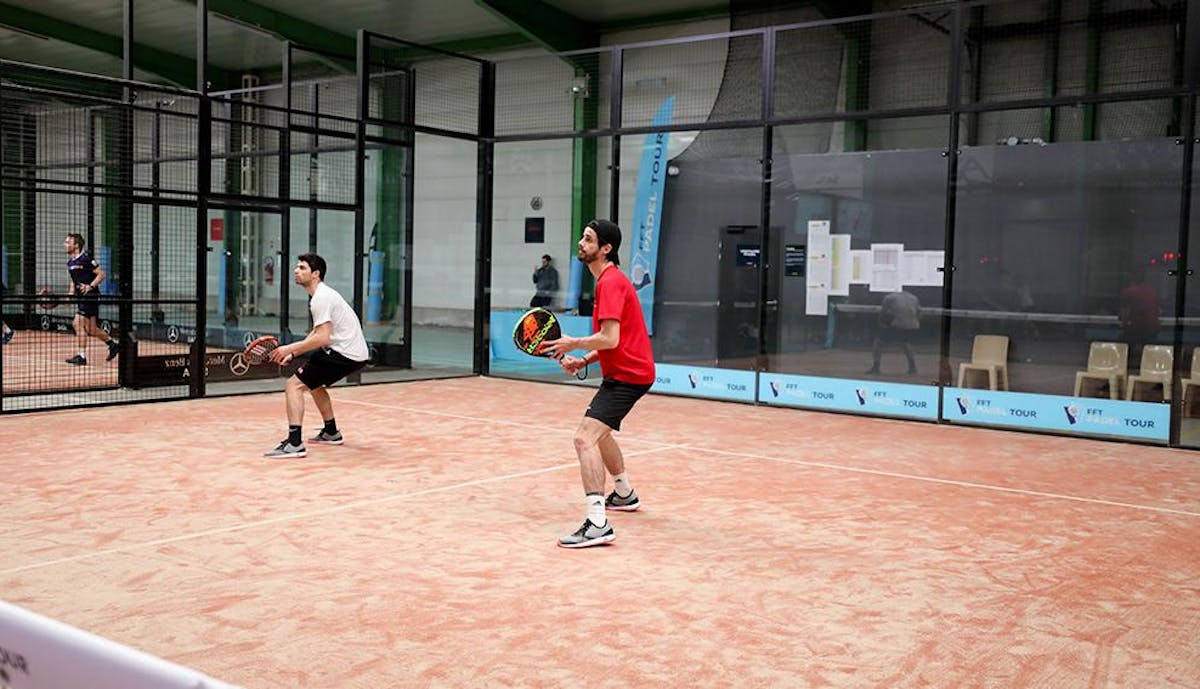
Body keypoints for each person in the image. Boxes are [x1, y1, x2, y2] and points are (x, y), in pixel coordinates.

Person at [541, 220, 656, 548]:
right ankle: (623, 493)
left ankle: (597, 523)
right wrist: (584, 360)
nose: (581, 242)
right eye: (582, 237)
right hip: (627, 372)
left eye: (589, 239)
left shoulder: (610, 283)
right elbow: (615, 342)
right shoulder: (611, 281)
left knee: (583, 439)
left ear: (605, 249)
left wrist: (571, 344)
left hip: (629, 376)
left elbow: (609, 337)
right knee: (600, 433)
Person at [263, 253, 370, 459]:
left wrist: (287, 349)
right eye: (297, 267)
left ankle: (294, 444)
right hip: (349, 351)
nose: (296, 270)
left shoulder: (321, 298)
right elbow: (317, 333)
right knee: (314, 384)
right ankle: (331, 432)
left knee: (294, 385)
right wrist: (293, 352)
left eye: (302, 268)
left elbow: (322, 338)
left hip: (345, 353)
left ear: (316, 274)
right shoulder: (322, 295)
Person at [56, 233, 120, 365]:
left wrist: (90, 287)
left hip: (91, 297)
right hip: (82, 298)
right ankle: (113, 345)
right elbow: (74, 281)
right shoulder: (70, 263)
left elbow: (101, 274)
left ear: (76, 245)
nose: (65, 244)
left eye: (68, 242)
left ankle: (82, 357)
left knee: (77, 323)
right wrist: (70, 295)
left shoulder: (86, 258)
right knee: (91, 329)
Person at [866, 289, 920, 375]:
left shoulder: (889, 297)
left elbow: (883, 312)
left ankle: (876, 367)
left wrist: (882, 323)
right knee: (905, 343)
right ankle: (912, 367)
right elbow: (919, 312)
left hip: (898, 323)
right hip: (912, 325)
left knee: (878, 342)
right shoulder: (913, 297)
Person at [1119, 266, 1161, 367]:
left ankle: (1123, 367)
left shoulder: (1129, 292)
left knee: (1121, 346)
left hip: (1139, 327)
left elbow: (1124, 313)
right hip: (1152, 328)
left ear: (1132, 277)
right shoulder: (1152, 291)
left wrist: (1123, 324)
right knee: (1147, 350)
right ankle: (1150, 367)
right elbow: (1157, 310)